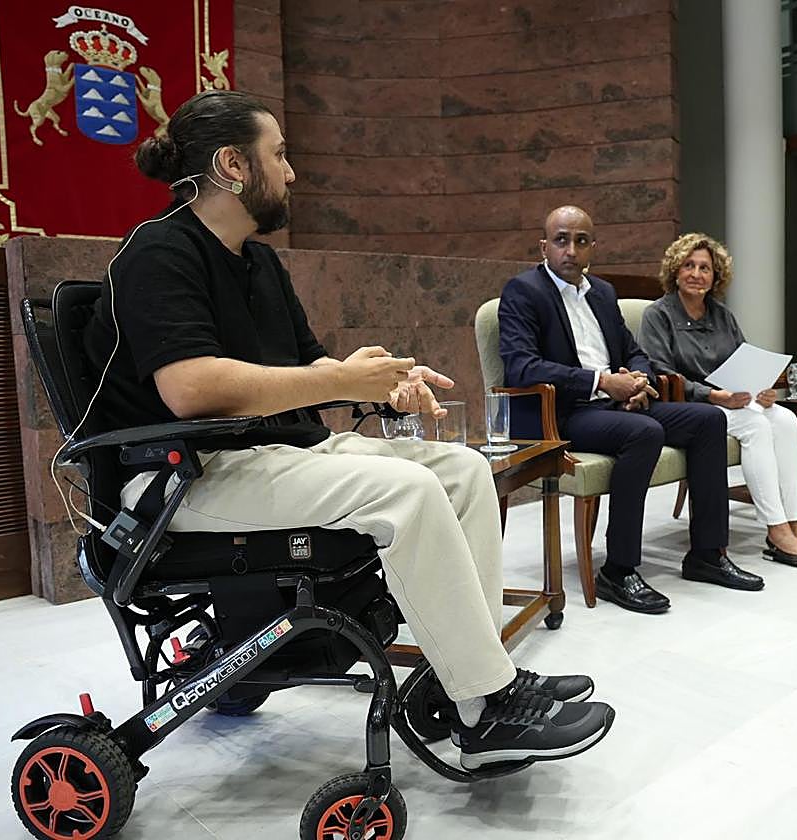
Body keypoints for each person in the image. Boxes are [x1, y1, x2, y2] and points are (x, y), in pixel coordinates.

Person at [81, 90, 614, 771]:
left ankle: (470, 683)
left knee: (464, 471)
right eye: (279, 155)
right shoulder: (158, 252)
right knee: (407, 492)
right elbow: (190, 389)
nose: (291, 172)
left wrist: (384, 382)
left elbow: (311, 370)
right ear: (232, 166)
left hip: (267, 453)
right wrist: (340, 380)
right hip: (183, 478)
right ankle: (486, 704)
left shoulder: (260, 264)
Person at [498, 206, 765, 614]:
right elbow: (521, 367)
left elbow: (634, 351)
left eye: (581, 241)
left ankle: (707, 555)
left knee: (709, 420)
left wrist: (639, 382)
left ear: (593, 247)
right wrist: (602, 382)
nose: (571, 250)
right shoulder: (523, 291)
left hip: (614, 406)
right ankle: (618, 570)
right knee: (644, 432)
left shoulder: (603, 294)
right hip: (560, 414)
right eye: (561, 240)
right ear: (544, 246)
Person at [638, 233, 797, 568]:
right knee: (756, 425)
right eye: (689, 266)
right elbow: (659, 372)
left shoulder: (723, 315)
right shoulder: (658, 314)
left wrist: (761, 388)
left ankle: (795, 522)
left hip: (732, 401)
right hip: (691, 407)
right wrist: (712, 395)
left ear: (716, 276)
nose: (697, 274)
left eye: (705, 268)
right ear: (675, 271)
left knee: (786, 419)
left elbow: (745, 359)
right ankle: (776, 530)